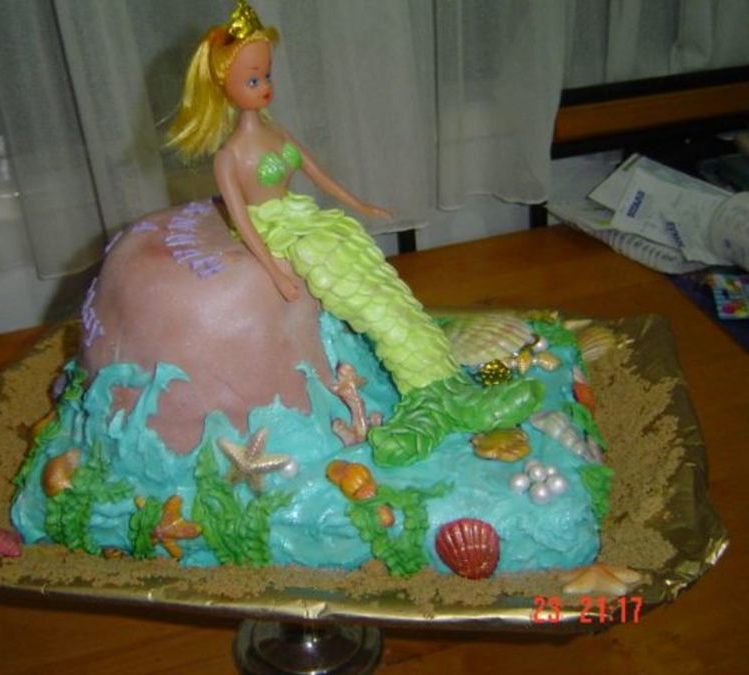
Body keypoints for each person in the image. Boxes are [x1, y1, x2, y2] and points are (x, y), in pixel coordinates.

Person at [167, 1, 543, 466]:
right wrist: (276, 273)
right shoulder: (229, 157)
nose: (265, 87)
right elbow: (242, 220)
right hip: (286, 236)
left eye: (267, 75)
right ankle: (429, 397)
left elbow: (317, 173)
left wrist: (360, 205)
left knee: (388, 291)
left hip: (310, 221)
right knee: (366, 305)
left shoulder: (275, 131)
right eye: (252, 80)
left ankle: (445, 382)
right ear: (223, 86)